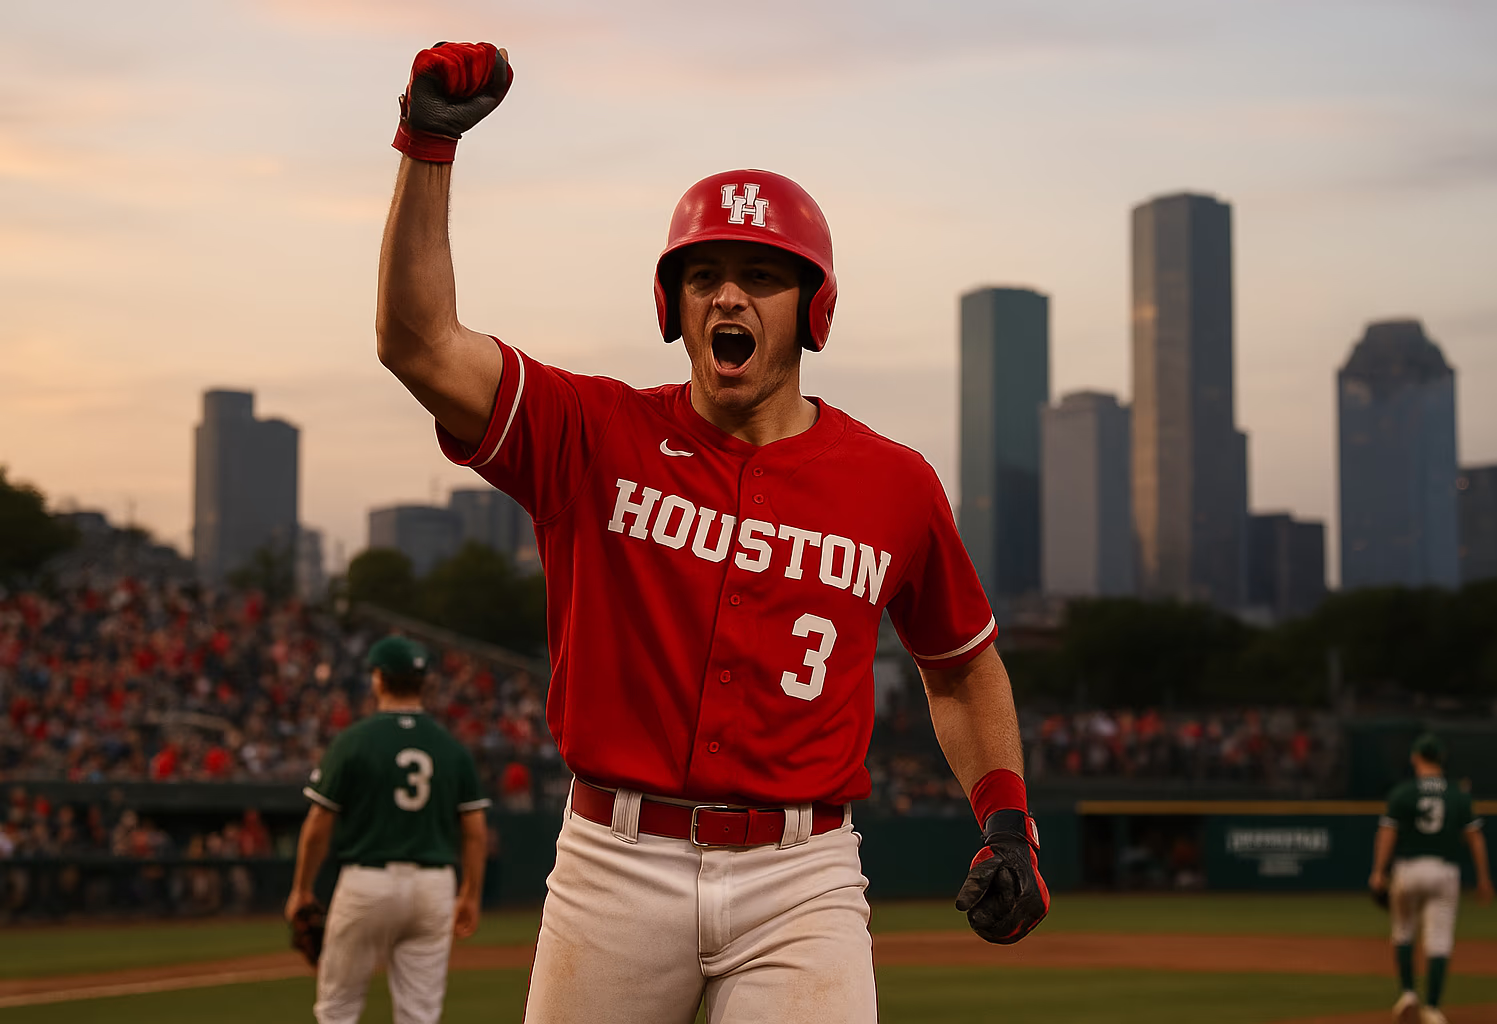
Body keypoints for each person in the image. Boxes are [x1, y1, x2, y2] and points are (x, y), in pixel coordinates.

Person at [376, 41, 1050, 1024]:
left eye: (761, 277)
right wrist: (427, 142)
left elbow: (961, 664)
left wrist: (1007, 819)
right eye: (706, 276)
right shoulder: (592, 434)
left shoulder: (894, 483)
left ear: (811, 308)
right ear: (674, 304)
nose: (729, 295)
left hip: (801, 874)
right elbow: (419, 343)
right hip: (614, 861)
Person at [285, 637, 490, 1024]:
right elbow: (475, 830)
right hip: (434, 888)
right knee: (420, 1015)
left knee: (337, 1011)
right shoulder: (451, 748)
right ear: (424, 681)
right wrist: (470, 894)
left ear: (378, 679)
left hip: (368, 884)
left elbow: (318, 825)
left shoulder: (353, 741)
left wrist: (301, 889)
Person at [1369, 734, 1494, 1024]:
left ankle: (1408, 994)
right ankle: (1434, 1009)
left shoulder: (1403, 792)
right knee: (1439, 939)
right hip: (1444, 871)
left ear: (1415, 758)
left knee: (1403, 931)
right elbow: (1475, 839)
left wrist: (1378, 870)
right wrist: (1484, 878)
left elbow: (1387, 833)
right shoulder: (1457, 794)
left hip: (1408, 870)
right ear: (1441, 760)